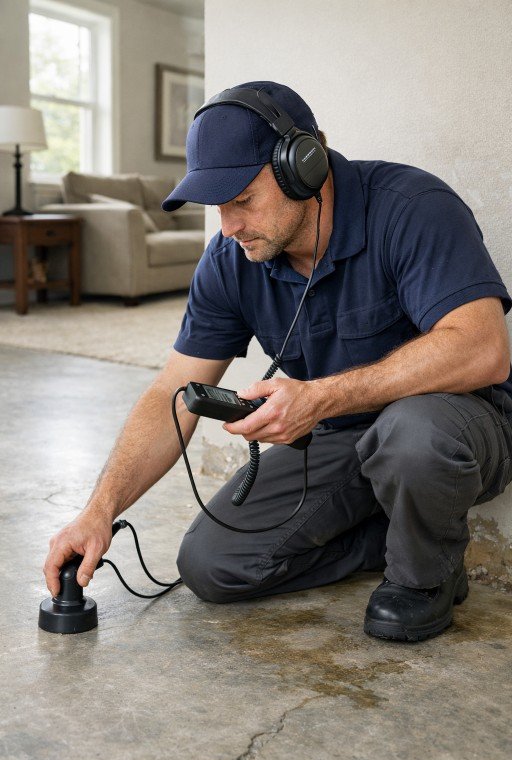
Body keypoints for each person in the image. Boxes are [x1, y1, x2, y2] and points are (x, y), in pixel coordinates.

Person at [44, 81, 512, 642]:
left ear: (305, 166)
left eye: (243, 200)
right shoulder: (231, 256)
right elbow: (172, 390)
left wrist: (319, 397)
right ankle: (390, 535)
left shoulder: (413, 209)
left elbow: (484, 348)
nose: (230, 226)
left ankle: (425, 578)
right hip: (342, 439)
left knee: (413, 433)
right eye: (218, 206)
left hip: (453, 428)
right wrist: (98, 510)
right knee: (212, 565)